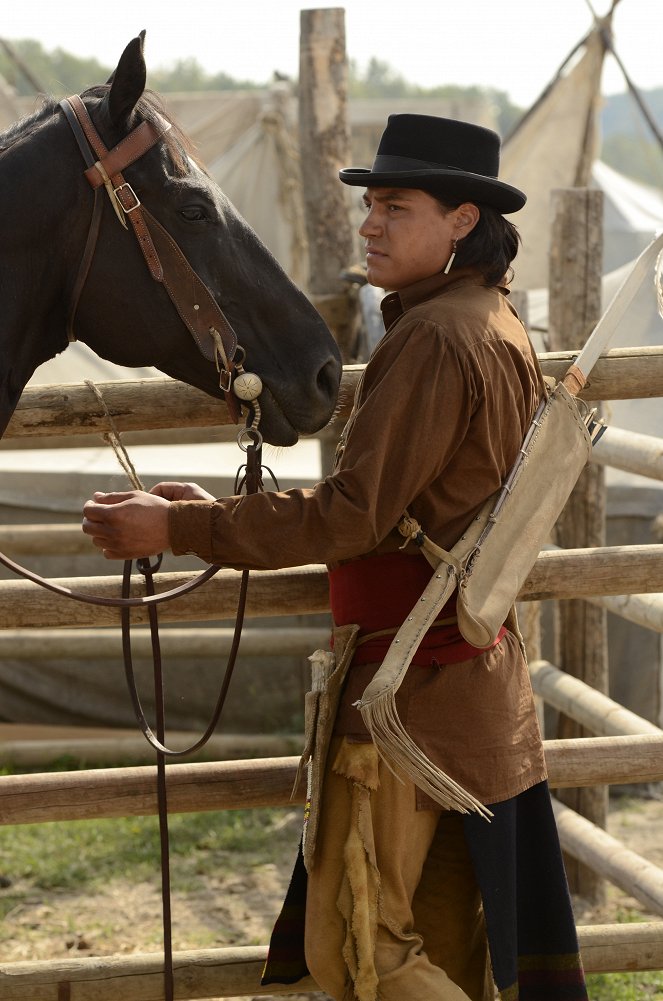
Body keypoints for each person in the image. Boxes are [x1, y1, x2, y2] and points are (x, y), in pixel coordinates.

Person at [82, 115, 588, 1001]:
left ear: (462, 220)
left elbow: (350, 518)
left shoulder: (435, 337)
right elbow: (401, 510)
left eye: (396, 205)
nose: (370, 223)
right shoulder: (492, 322)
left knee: (360, 949)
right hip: (465, 689)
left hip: (405, 699)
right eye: (369, 204)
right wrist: (217, 516)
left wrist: (180, 531)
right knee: (438, 945)